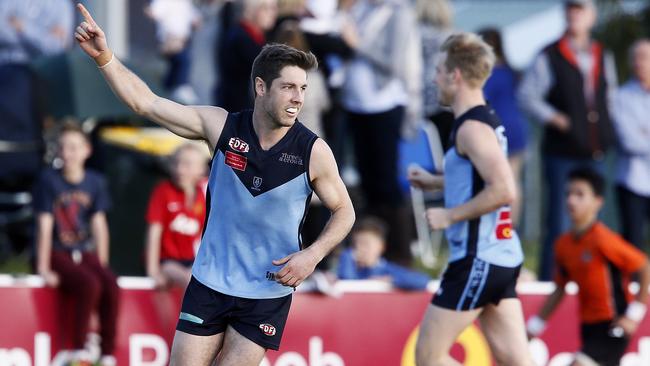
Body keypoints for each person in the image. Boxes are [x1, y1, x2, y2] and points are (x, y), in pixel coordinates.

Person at [73, 4, 355, 365]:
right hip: (209, 282)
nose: (299, 98)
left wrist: (312, 256)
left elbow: (345, 211)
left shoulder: (313, 150)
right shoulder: (221, 126)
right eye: (288, 88)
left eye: (302, 88)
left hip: (267, 291)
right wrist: (105, 58)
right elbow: (146, 104)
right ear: (260, 87)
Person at [407, 32, 533, 366]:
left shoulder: (471, 129)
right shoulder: (481, 119)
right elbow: (480, 179)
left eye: (438, 71)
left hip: (478, 259)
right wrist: (435, 182)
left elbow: (504, 190)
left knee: (428, 357)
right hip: (500, 258)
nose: (435, 79)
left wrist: (450, 216)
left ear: (456, 75)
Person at [517, 0, 617, 280]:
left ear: (591, 16)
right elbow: (527, 95)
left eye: (580, 9)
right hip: (562, 151)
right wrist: (554, 118)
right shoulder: (550, 54)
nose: (575, 15)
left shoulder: (601, 54)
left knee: (593, 221)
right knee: (561, 219)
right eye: (570, 9)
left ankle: (591, 277)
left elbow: (610, 96)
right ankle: (553, 280)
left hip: (594, 149)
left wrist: (608, 127)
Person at [526, 168, 650, 366]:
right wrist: (534, 327)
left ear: (598, 202)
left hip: (613, 324)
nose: (571, 201)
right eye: (568, 194)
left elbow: (644, 266)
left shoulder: (603, 239)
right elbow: (559, 289)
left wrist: (633, 315)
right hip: (587, 327)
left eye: (580, 194)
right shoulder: (563, 244)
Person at [33, 123, 119, 366]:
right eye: (63, 148)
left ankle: (107, 354)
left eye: (73, 147)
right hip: (57, 251)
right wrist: (42, 267)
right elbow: (44, 225)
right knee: (89, 284)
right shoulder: (48, 181)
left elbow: (99, 225)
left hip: (85, 251)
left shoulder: (95, 181)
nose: (67, 153)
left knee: (110, 284)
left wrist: (101, 264)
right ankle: (78, 351)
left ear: (86, 150)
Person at [479, 27, 528, 228]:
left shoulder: (488, 75)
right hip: (516, 131)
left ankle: (500, 228)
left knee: (496, 183)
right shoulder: (511, 72)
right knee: (512, 181)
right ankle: (510, 227)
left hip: (496, 131)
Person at [145, 143, 208, 290]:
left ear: (201, 169)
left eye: (187, 165)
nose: (179, 169)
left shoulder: (204, 193)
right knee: (189, 279)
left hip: (191, 260)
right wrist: (153, 270)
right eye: (176, 163)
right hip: (166, 261)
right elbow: (153, 233)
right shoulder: (163, 191)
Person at [611, 39, 650, 251]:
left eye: (644, 57)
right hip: (632, 181)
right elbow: (629, 141)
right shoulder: (621, 97)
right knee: (632, 245)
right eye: (635, 58)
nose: (639, 63)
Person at [215, 0, 278, 112]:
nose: (273, 13)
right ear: (250, 11)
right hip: (238, 110)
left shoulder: (253, 37)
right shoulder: (241, 38)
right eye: (266, 8)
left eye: (274, 8)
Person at [337, 216, 431, 290]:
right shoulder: (352, 269)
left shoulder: (388, 269)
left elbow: (423, 281)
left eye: (365, 243)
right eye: (354, 244)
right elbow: (347, 283)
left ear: (381, 246)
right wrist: (347, 255)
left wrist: (390, 280)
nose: (359, 248)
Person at [146, 0, 201, 104]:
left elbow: (194, 18)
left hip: (183, 41)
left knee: (175, 68)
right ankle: (181, 86)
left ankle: (166, 91)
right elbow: (153, 12)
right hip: (169, 40)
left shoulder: (185, 3)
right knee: (183, 60)